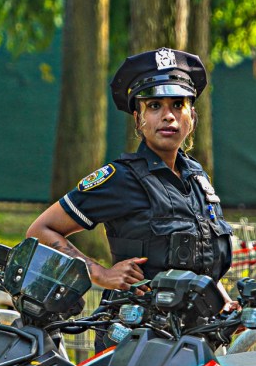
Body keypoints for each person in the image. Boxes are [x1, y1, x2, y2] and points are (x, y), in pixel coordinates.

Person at [26, 48, 233, 322]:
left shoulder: (197, 177)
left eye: (177, 105)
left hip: (196, 331)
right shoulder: (122, 178)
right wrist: (102, 274)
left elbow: (199, 257)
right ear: (138, 119)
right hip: (136, 333)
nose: (168, 116)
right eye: (154, 106)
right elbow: (41, 230)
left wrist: (220, 297)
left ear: (192, 117)